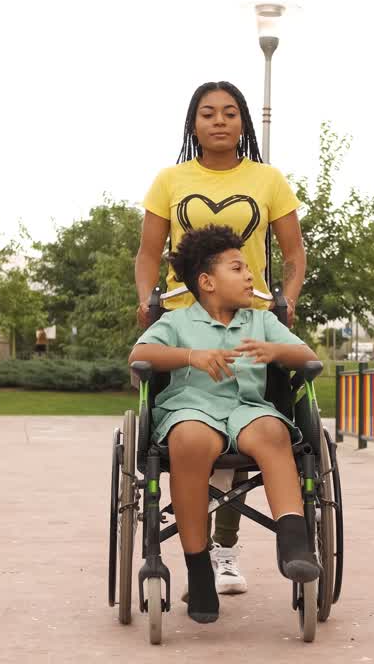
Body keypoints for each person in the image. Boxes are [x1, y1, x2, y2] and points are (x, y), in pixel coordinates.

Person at [135, 80, 306, 595]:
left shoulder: (268, 179)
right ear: (193, 124)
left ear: (243, 122)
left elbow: (294, 254)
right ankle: (203, 560)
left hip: (250, 313)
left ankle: (225, 551)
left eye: (230, 113)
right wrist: (146, 300)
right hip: (184, 314)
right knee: (195, 436)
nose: (219, 121)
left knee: (255, 430)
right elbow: (148, 254)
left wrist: (287, 299)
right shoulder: (170, 179)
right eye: (207, 113)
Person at [129, 225, 321, 624]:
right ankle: (199, 571)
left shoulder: (261, 321)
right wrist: (189, 356)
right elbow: (139, 355)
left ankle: (294, 542)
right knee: (191, 441)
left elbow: (308, 356)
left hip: (247, 409)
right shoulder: (179, 322)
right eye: (238, 268)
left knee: (273, 431)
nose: (251, 275)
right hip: (192, 409)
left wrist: (276, 350)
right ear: (207, 282)